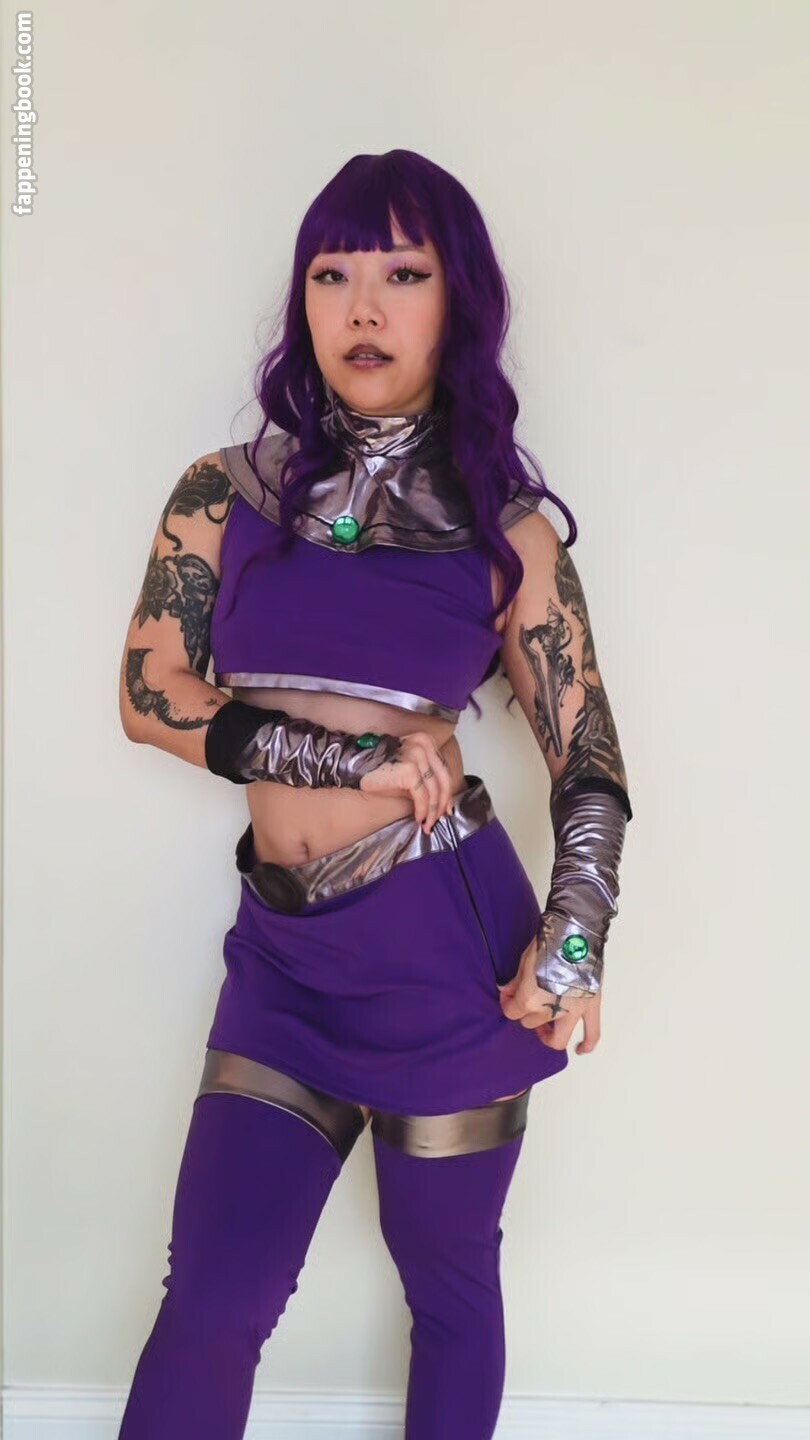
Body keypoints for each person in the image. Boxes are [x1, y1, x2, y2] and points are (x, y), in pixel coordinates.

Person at [116, 149, 632, 1440]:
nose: (361, 307)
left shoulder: (506, 533)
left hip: (443, 957)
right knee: (213, 1301)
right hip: (282, 958)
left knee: (446, 1291)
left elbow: (588, 760)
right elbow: (148, 692)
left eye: (402, 275)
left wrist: (572, 939)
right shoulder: (226, 492)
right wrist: (351, 761)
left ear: (457, 302)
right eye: (332, 273)